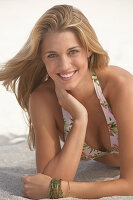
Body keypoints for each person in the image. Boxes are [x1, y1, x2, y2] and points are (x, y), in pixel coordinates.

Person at [0, 4, 133, 199]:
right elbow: (47, 180)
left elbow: (130, 184)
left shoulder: (120, 87)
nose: (64, 65)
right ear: (42, 58)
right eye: (52, 55)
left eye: (73, 52)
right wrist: (79, 119)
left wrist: (63, 189)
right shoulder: (42, 99)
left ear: (88, 49)